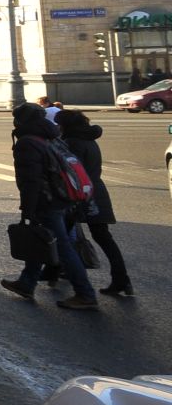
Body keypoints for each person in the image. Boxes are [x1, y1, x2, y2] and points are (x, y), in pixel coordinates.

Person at [0, 103, 99, 310]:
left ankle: (85, 293)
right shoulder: (51, 136)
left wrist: (27, 211)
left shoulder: (27, 142)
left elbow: (31, 181)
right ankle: (27, 282)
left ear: (20, 121)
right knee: (41, 238)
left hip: (48, 201)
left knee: (62, 246)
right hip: (63, 199)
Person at [56, 109, 134, 298]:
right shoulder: (89, 140)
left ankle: (60, 274)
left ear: (65, 125)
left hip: (82, 195)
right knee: (102, 237)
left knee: (62, 236)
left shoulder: (72, 143)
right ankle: (121, 279)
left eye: (59, 124)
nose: (57, 128)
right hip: (97, 191)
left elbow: (72, 173)